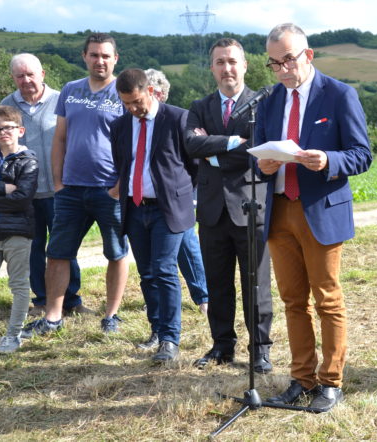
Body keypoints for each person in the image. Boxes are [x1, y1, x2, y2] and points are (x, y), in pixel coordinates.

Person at [256, 23, 372, 411]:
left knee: (327, 299)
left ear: (308, 54)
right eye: (275, 63)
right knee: (292, 301)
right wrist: (265, 168)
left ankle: (331, 382)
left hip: (320, 210)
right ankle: (301, 379)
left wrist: (329, 160)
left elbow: (362, 154)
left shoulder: (339, 95)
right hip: (279, 212)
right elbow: (256, 161)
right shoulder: (269, 100)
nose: (283, 69)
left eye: (289, 59)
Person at [22, 33, 129, 338]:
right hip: (70, 189)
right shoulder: (70, 90)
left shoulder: (123, 92)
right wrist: (58, 182)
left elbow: (134, 145)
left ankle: (111, 315)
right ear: (85, 57)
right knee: (58, 252)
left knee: (116, 253)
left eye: (106, 55)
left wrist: (119, 187)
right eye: (94, 55)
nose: (100, 61)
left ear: (115, 59)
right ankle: (53, 317)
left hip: (109, 189)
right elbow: (60, 138)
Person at [184, 38, 274, 373]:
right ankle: (222, 347)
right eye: (220, 62)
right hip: (210, 211)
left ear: (245, 65)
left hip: (252, 207)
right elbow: (191, 145)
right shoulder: (199, 106)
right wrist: (235, 143)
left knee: (256, 285)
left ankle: (260, 350)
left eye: (233, 62)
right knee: (218, 285)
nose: (227, 68)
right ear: (212, 68)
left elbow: (260, 150)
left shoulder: (262, 104)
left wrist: (215, 150)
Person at [109, 68, 195, 362]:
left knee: (163, 269)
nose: (133, 109)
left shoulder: (177, 118)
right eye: (126, 104)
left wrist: (181, 196)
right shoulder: (120, 126)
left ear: (150, 91)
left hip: (167, 209)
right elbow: (123, 164)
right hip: (134, 209)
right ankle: (157, 331)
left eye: (137, 102)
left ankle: (171, 339)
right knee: (146, 272)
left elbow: (192, 164)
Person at [0, 54, 86, 318]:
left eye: (31, 74)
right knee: (33, 249)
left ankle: (71, 300)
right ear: (13, 78)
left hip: (61, 190)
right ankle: (41, 300)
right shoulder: (6, 105)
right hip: (25, 195)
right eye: (20, 76)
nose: (26, 80)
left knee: (63, 248)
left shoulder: (63, 100)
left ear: (43, 73)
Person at [145, 68, 208, 317]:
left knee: (187, 244)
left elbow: (193, 161)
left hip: (177, 198)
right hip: (146, 200)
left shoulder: (177, 119)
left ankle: (203, 297)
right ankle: (199, 297)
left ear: (161, 94)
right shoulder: (134, 121)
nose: (150, 97)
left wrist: (188, 194)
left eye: (154, 92)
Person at [0, 106, 38, 353]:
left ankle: (13, 335)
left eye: (8, 128)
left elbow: (23, 199)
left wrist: (13, 192)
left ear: (20, 131)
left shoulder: (28, 162)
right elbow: (12, 194)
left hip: (18, 232)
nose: (3, 132)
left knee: (19, 286)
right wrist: (4, 189)